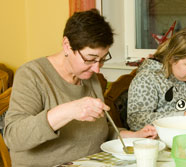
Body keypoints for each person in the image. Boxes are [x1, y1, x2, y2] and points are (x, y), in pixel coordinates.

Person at [3, 9, 157, 167]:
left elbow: (102, 130)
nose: (97, 69)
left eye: (102, 59)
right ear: (67, 45)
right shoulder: (33, 75)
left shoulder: (90, 77)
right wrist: (69, 110)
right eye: (90, 59)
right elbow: (14, 138)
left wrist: (133, 137)